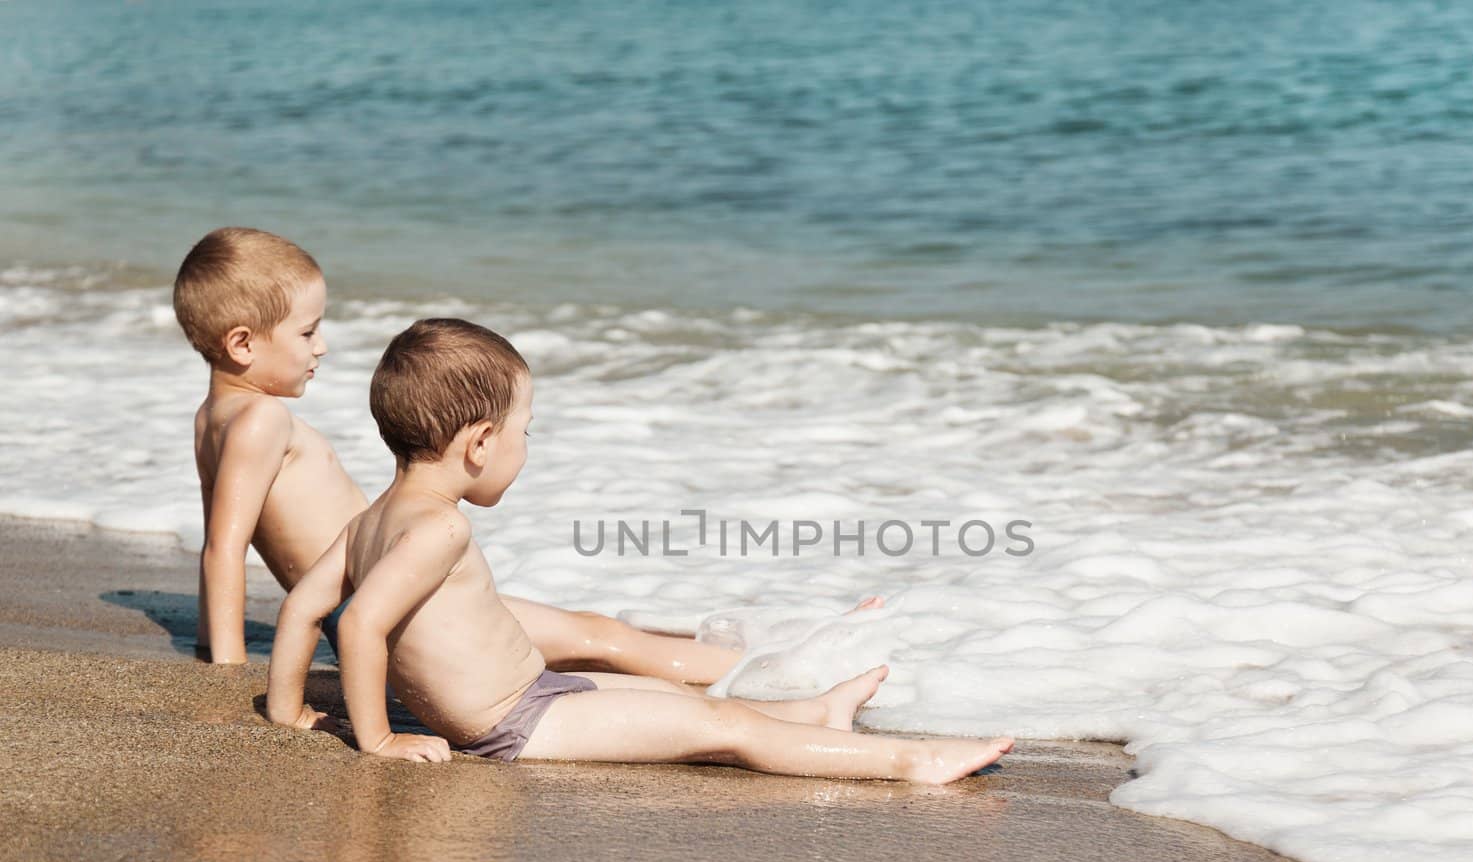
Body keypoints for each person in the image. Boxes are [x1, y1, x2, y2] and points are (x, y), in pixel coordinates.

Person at [266, 318, 1013, 781]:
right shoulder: (442, 527)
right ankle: (911, 761)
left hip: (535, 695)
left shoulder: (370, 519)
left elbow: (305, 607)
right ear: (480, 443)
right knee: (720, 730)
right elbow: (359, 627)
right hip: (518, 725)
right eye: (526, 432)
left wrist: (289, 708)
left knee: (681, 702)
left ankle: (819, 711)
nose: (527, 447)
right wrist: (379, 739)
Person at [176, 226, 838, 678]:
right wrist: (227, 671)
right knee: (593, 639)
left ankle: (749, 658)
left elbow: (219, 544)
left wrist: (211, 640)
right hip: (400, 604)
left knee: (575, 639)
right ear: (242, 344)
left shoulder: (215, 418)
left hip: (380, 598)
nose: (321, 346)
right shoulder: (262, 420)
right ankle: (765, 670)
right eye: (308, 330)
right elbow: (225, 550)